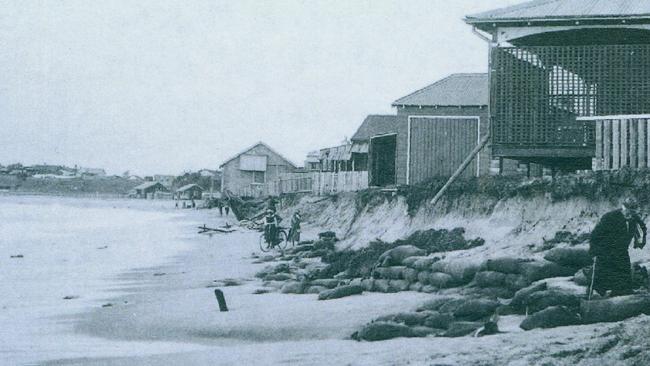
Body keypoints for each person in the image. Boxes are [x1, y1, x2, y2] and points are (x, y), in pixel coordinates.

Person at [589, 197, 647, 297]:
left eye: (633, 211)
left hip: (621, 250)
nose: (630, 214)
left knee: (624, 275)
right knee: (603, 276)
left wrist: (640, 242)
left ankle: (621, 294)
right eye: (628, 211)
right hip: (606, 250)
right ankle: (598, 296)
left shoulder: (634, 218)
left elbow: (642, 228)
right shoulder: (610, 217)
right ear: (623, 207)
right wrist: (594, 251)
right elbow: (595, 235)